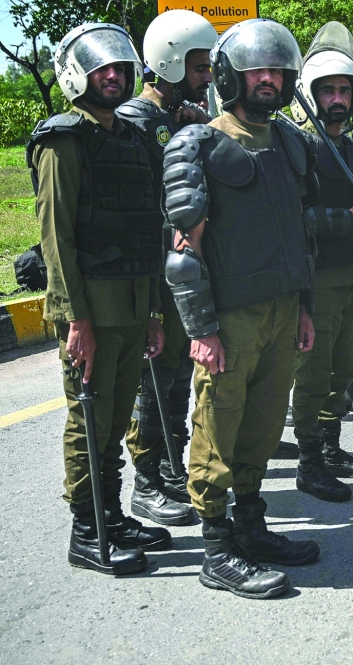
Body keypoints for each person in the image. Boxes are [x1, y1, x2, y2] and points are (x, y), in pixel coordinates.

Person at [161, 18, 319, 599]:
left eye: (277, 70)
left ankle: (252, 528)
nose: (269, 79)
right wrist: (201, 330)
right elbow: (184, 254)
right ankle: (217, 548)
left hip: (281, 310)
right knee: (218, 426)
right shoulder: (198, 145)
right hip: (229, 317)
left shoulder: (290, 143)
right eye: (257, 69)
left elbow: (298, 235)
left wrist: (302, 307)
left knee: (262, 424)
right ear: (232, 75)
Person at [30, 23, 171, 574]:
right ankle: (87, 530)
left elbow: (146, 230)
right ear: (76, 75)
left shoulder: (132, 138)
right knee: (88, 419)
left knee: (114, 420)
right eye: (100, 68)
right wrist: (74, 319)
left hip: (135, 305)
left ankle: (112, 514)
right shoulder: (63, 140)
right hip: (92, 311)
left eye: (119, 66)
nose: (112, 76)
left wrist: (155, 311)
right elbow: (57, 239)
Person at [116, 9, 217, 527]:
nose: (207, 79)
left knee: (177, 376)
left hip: (181, 273)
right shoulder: (137, 122)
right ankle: (147, 480)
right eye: (200, 68)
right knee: (153, 378)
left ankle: (172, 463)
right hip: (151, 275)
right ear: (170, 64)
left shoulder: (183, 116)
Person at [281, 21, 353, 505]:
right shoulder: (300, 143)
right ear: (311, 94)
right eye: (328, 91)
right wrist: (346, 219)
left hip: (346, 277)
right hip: (315, 278)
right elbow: (295, 218)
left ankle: (332, 448)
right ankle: (309, 462)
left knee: (342, 371)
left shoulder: (347, 144)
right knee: (314, 375)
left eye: (345, 90)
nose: (337, 98)